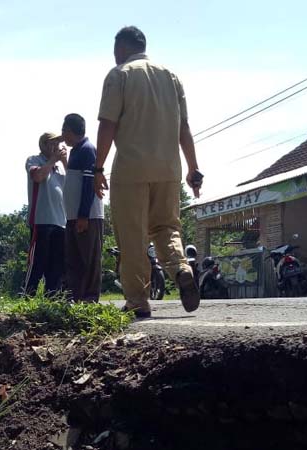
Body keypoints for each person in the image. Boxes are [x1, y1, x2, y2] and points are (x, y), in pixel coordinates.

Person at [93, 26, 203, 318]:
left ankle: (138, 300)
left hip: (131, 170)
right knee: (166, 227)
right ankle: (180, 267)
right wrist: (193, 168)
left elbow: (107, 124)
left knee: (132, 236)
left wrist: (98, 167)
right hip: (169, 169)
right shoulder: (171, 76)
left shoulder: (120, 75)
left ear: (123, 47)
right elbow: (185, 128)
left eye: (116, 50)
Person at [61, 113, 104, 303]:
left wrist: (83, 215)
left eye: (64, 131)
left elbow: (89, 183)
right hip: (72, 216)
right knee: (74, 259)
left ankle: (90, 297)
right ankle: (76, 297)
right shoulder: (75, 151)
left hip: (88, 216)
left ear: (70, 130)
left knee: (89, 259)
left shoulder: (87, 150)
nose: (63, 135)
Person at [24, 132, 67, 297]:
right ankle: (28, 297)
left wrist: (63, 160)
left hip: (60, 222)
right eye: (52, 143)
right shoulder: (34, 160)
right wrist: (52, 161)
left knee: (56, 266)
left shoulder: (59, 167)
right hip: (41, 221)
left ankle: (52, 299)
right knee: (37, 263)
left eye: (58, 144)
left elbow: (72, 184)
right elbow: (38, 176)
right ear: (43, 144)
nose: (56, 147)